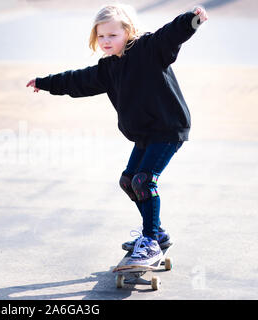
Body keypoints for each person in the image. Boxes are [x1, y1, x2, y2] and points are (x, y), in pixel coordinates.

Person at [26, 3, 208, 266]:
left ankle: (150, 242)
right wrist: (45, 83)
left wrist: (191, 20)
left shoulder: (148, 49)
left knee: (144, 181)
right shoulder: (108, 68)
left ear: (128, 32)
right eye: (101, 36)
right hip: (146, 133)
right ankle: (156, 233)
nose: (106, 41)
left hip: (168, 128)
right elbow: (77, 80)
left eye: (112, 35)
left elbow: (170, 34)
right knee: (128, 181)